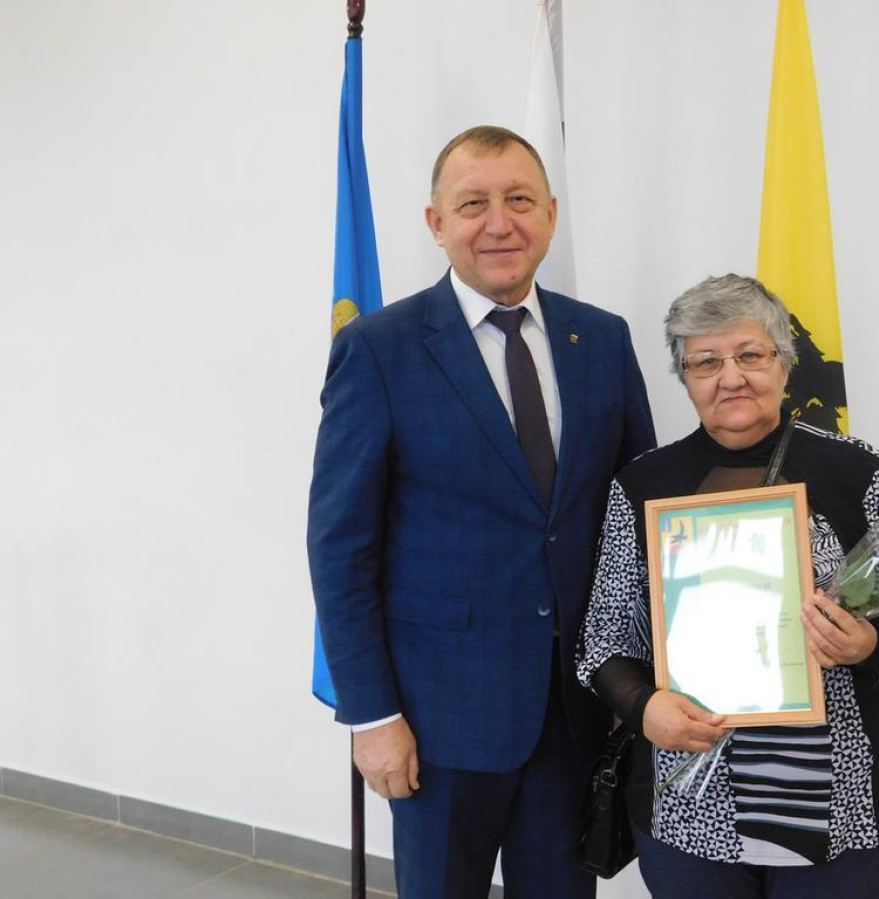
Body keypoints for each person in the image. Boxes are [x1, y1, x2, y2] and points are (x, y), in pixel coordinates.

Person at [308, 125, 656, 898]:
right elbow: (340, 547)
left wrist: (645, 681)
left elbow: (636, 522)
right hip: (437, 722)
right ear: (437, 223)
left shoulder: (602, 339)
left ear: (551, 213)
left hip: (577, 712)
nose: (500, 223)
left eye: (519, 199)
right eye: (474, 204)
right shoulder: (380, 349)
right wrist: (371, 715)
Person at [576, 274, 879, 898]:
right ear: (684, 377)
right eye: (706, 362)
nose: (730, 378)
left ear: (784, 363)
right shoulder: (644, 484)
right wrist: (644, 708)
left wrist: (867, 643)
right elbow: (603, 643)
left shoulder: (856, 470)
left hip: (839, 811)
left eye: (750, 355)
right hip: (691, 813)